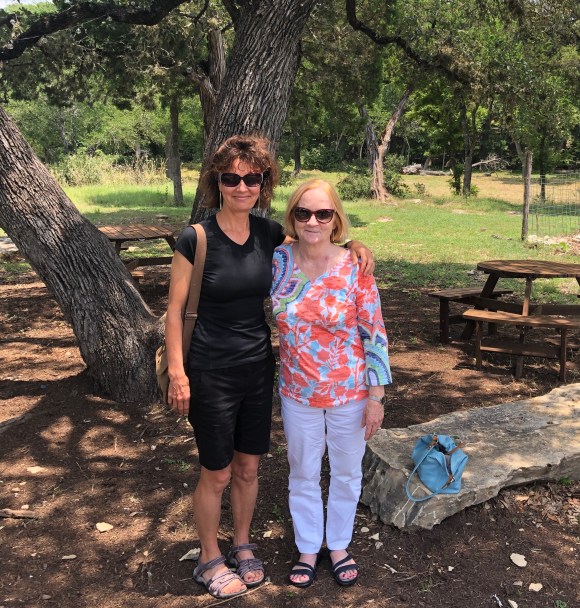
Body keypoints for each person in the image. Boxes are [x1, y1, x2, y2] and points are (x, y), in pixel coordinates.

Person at [164, 136, 374, 599]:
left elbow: (316, 241)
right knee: (217, 472)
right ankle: (208, 557)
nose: (242, 187)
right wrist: (178, 372)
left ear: (264, 184)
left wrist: (354, 243)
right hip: (210, 371)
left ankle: (242, 545)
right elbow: (174, 312)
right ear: (217, 182)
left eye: (252, 179)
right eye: (231, 178)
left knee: (247, 468)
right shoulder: (196, 238)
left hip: (258, 369)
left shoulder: (269, 235)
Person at [270, 178, 392, 588]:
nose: (313, 221)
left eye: (323, 213)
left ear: (336, 219)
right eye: (303, 212)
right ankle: (308, 546)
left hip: (350, 393)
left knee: (346, 473)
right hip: (297, 392)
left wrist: (376, 397)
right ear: (292, 217)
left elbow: (374, 332)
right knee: (302, 472)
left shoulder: (355, 266)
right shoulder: (278, 260)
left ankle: (338, 544)